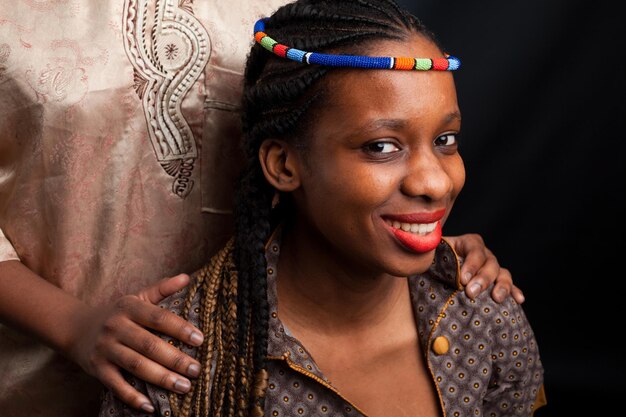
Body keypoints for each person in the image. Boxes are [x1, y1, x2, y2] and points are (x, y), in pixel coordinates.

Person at [0, 1, 522, 416]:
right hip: (123, 369)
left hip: (307, 297)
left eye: (449, 141)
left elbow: (376, 99)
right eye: (383, 149)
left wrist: (417, 240)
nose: (433, 180)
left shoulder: (480, 321)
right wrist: (74, 326)